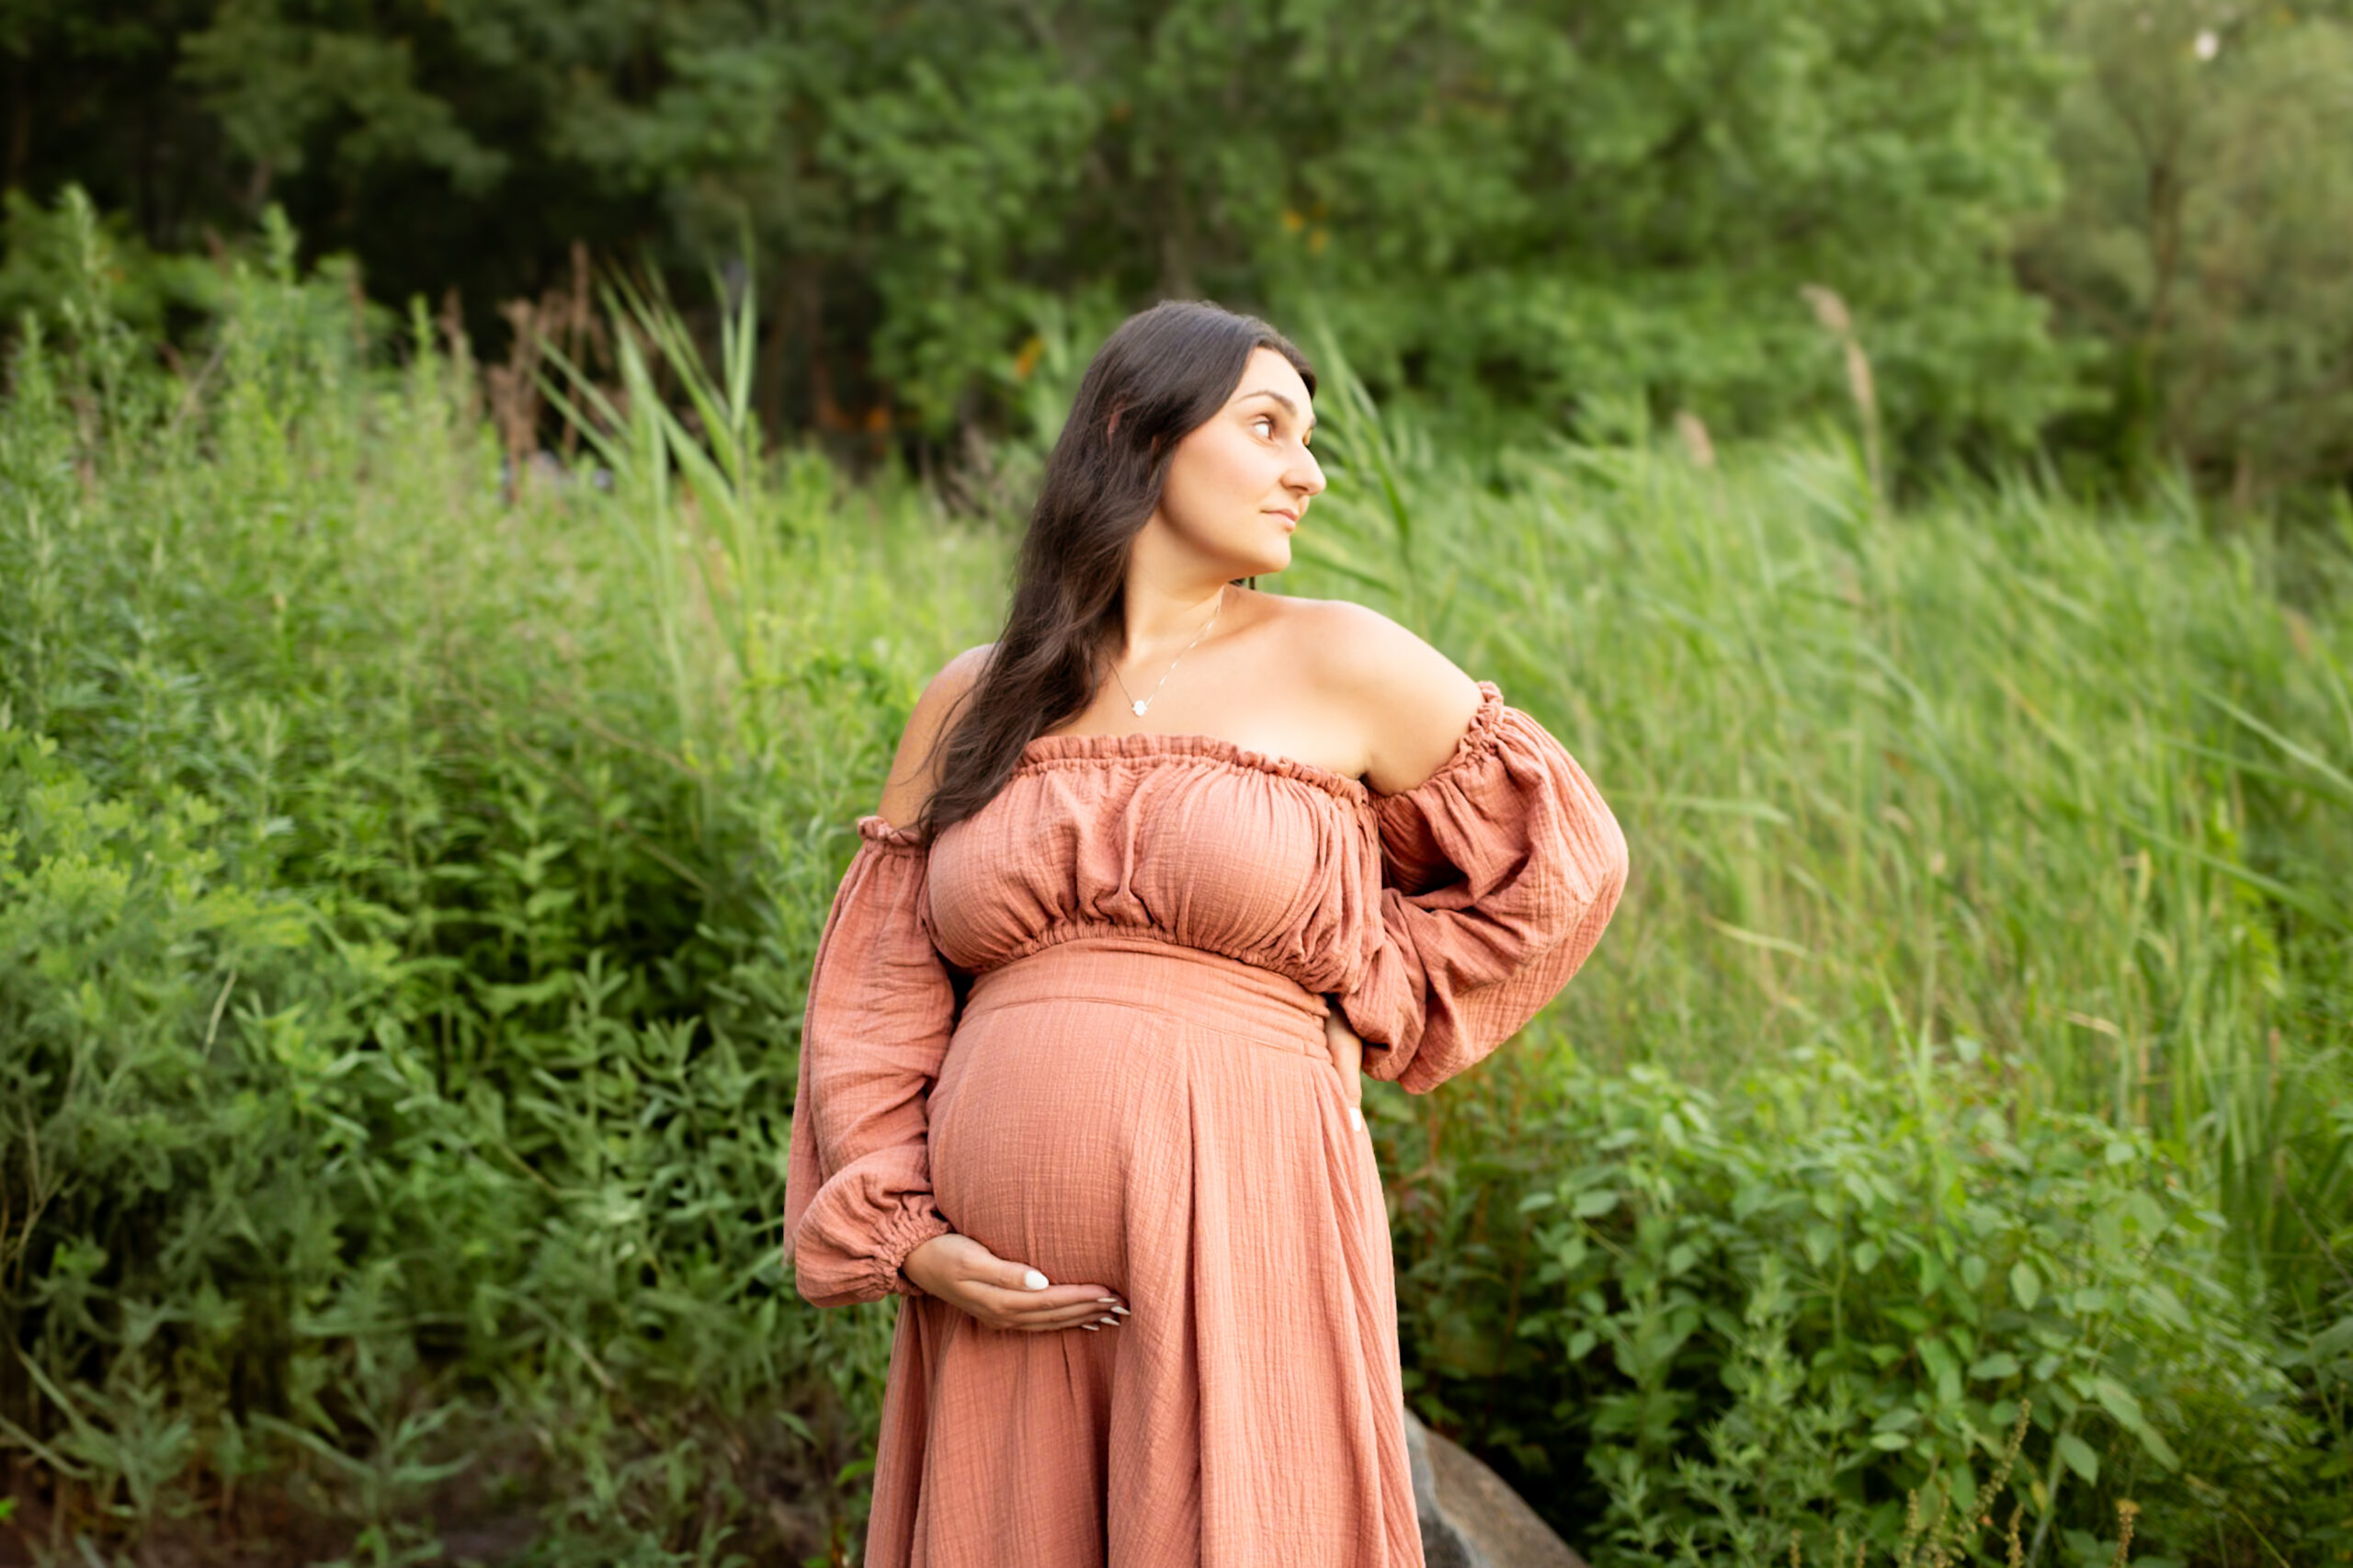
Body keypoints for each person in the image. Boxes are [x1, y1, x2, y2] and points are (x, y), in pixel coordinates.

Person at [782, 299, 1630, 1568]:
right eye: (1269, 427)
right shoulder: (972, 697)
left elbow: (1563, 861)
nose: (1311, 471)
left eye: (1311, 437)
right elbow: (874, 997)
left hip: (1249, 1215)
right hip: (1000, 1295)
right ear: (1134, 428)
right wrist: (912, 1235)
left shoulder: (1342, 658)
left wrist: (1370, 973)